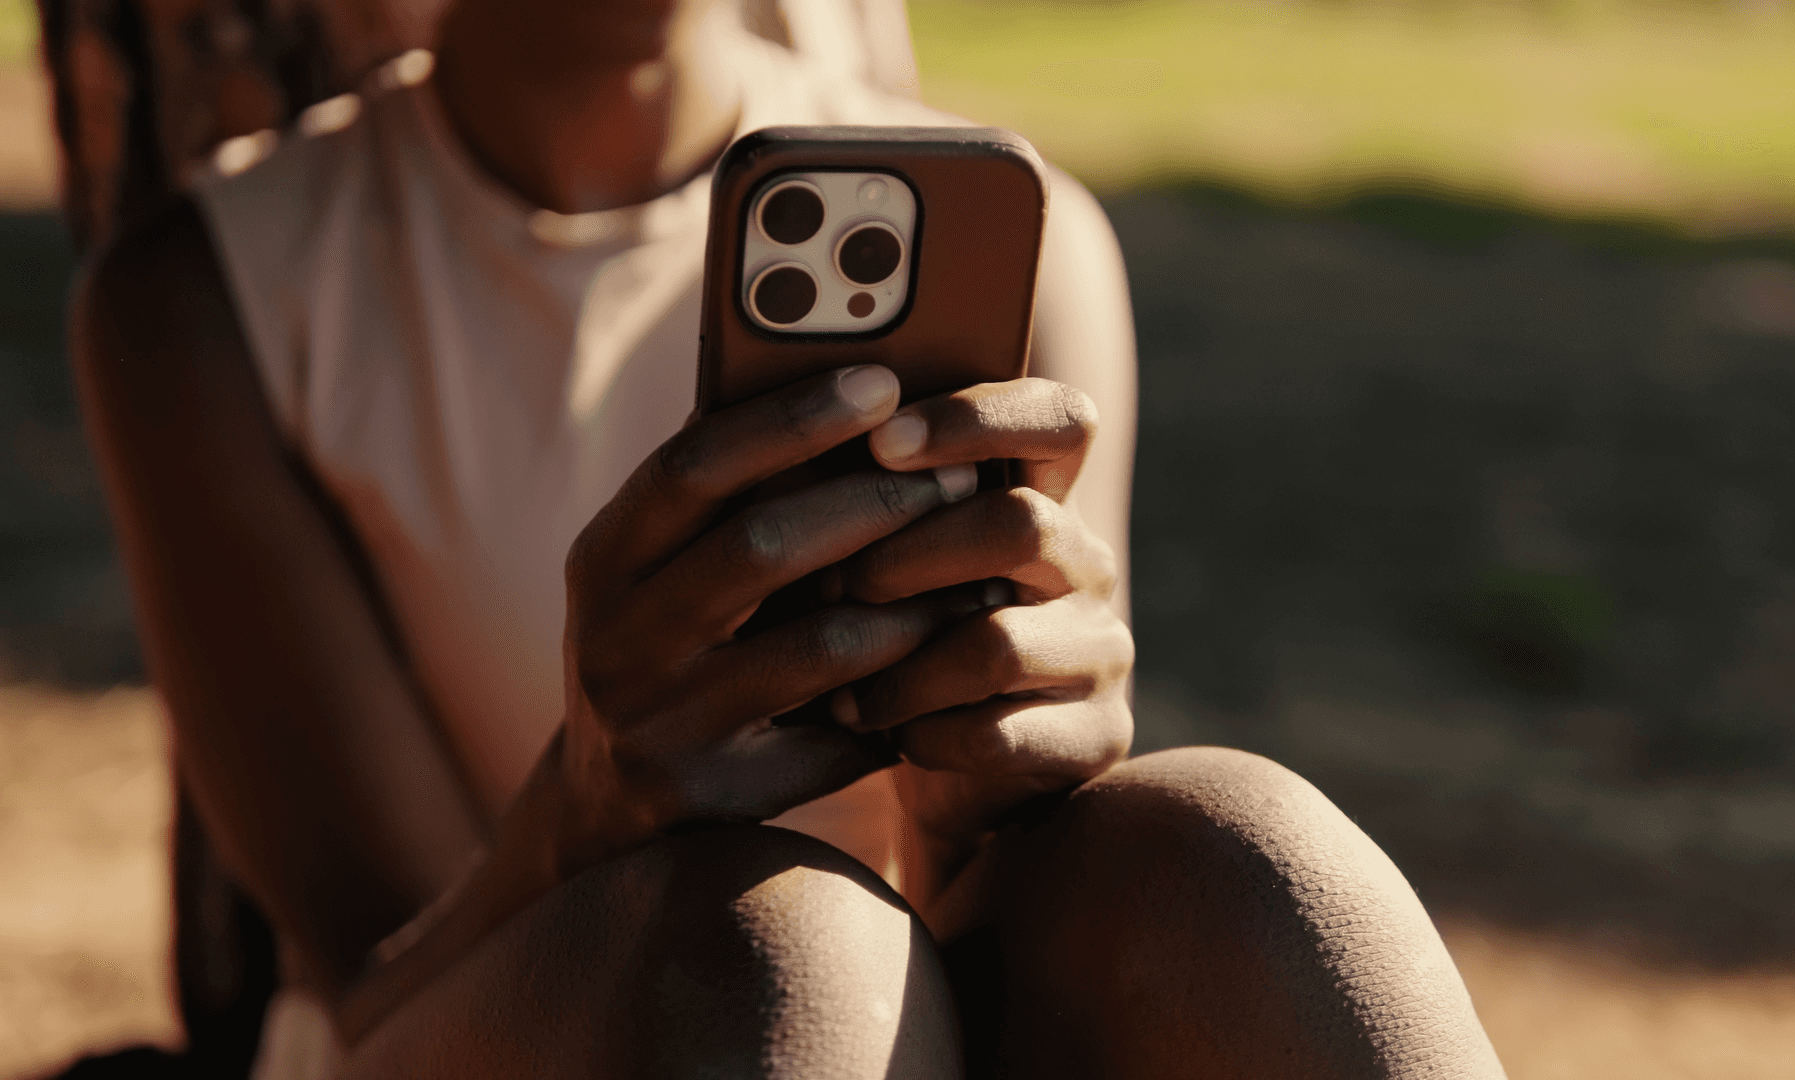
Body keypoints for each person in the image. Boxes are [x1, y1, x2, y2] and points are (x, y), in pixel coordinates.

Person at [69, 0, 1508, 1072]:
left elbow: (976, 899)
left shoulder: (1019, 232)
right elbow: (366, 985)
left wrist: (983, 780)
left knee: (1239, 854)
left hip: (881, 1028)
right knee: (778, 945)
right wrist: (588, 800)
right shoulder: (211, 298)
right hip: (479, 1038)